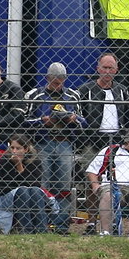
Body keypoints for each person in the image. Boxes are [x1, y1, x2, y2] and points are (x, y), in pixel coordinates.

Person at [24, 62, 84, 193]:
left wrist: (73, 119)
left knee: (64, 184)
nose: (59, 85)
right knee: (42, 182)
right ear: (47, 78)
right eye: (55, 82)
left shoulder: (72, 96)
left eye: (62, 81)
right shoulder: (34, 95)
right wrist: (42, 121)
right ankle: (42, 205)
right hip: (42, 143)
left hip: (65, 143)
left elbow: (83, 122)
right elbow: (24, 121)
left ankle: (62, 206)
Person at [0, 135, 57, 234]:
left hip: (31, 195)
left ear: (26, 149)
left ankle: (41, 230)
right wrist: (18, 184)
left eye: (18, 148)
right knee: (22, 191)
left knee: (35, 191)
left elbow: (35, 184)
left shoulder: (35, 161)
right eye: (12, 148)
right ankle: (26, 230)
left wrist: (19, 167)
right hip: (6, 197)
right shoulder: (3, 160)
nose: (14, 151)